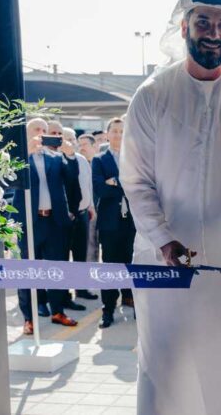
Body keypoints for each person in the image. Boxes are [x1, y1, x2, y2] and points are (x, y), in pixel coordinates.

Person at [120, 0, 221, 414]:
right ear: (184, 26)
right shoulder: (152, 94)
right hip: (162, 262)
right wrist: (163, 240)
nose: (214, 33)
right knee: (165, 376)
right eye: (204, 22)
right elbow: (136, 180)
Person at [13, 118, 82, 334]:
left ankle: (57, 311)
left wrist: (70, 155)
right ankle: (29, 318)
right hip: (31, 222)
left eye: (44, 130)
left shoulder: (55, 157)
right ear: (27, 134)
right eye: (37, 129)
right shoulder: (17, 157)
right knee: (27, 271)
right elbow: (10, 179)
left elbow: (71, 178)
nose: (41, 133)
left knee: (57, 270)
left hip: (54, 222)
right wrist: (27, 154)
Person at [93, 118, 136, 328]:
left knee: (131, 262)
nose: (118, 135)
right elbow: (100, 189)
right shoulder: (99, 160)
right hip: (110, 223)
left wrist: (114, 181)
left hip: (132, 223)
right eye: (115, 131)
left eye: (122, 131)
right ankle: (107, 309)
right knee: (110, 266)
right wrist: (120, 183)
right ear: (107, 134)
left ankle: (132, 300)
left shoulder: (134, 158)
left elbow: (137, 186)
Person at [62, 127, 98, 302]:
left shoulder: (82, 160)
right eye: (65, 138)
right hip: (64, 216)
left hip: (83, 213)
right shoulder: (57, 160)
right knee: (61, 257)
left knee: (81, 255)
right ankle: (63, 294)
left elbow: (87, 185)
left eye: (72, 139)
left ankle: (81, 288)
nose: (70, 142)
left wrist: (90, 205)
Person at [78, 133, 101, 263]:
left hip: (104, 210)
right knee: (89, 247)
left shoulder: (100, 162)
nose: (81, 148)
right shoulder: (77, 164)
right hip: (88, 212)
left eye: (85, 144)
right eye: (79, 145)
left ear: (94, 146)